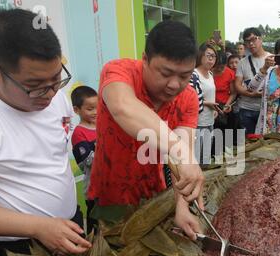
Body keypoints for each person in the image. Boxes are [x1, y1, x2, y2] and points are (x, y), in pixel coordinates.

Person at [0, 9, 92, 256]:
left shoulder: (56, 96)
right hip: (18, 248)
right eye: (34, 85)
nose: (49, 94)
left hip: (70, 225)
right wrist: (38, 227)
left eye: (57, 79)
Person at [87, 21, 204, 240]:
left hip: (154, 197)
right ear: (145, 59)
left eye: (185, 75)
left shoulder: (187, 97)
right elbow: (124, 107)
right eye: (166, 73)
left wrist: (182, 207)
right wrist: (180, 150)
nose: (174, 84)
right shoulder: (120, 71)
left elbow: (181, 159)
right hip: (110, 196)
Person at [234, 28, 271, 135]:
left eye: (253, 39)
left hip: (266, 109)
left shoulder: (272, 59)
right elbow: (237, 85)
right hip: (246, 108)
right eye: (247, 41)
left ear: (261, 39)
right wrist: (251, 94)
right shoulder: (242, 62)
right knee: (247, 143)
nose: (251, 44)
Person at [71, 86, 98, 229]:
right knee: (96, 224)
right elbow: (86, 162)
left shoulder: (103, 127)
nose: (95, 112)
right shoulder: (79, 134)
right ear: (76, 110)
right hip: (93, 189)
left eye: (98, 107)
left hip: (110, 187)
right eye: (90, 109)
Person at [193, 43, 219, 165]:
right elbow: (190, 100)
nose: (211, 59)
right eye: (208, 55)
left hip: (209, 120)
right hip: (197, 122)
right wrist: (207, 103)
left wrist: (213, 109)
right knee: (196, 158)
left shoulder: (210, 74)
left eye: (214, 56)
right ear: (200, 55)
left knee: (206, 158)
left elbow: (210, 94)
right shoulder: (194, 74)